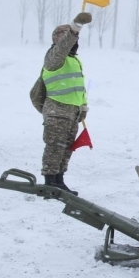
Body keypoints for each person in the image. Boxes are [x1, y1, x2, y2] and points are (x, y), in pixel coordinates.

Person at [40, 12, 92, 195]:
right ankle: (50, 182)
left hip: (72, 113)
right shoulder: (54, 58)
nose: (74, 43)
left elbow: (78, 86)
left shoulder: (74, 60)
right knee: (55, 147)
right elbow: (62, 46)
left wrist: (83, 106)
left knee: (66, 148)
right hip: (57, 111)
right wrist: (75, 27)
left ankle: (59, 181)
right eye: (70, 40)